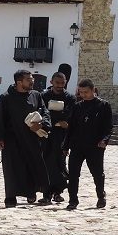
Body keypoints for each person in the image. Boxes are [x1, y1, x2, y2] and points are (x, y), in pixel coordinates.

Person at [0, 69, 50, 207]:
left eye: (32, 79)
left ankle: (31, 192)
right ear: (19, 82)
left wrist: (41, 124)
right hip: (12, 139)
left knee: (32, 165)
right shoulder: (6, 97)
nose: (32, 81)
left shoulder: (36, 95)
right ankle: (10, 196)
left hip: (31, 138)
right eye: (28, 79)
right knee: (12, 168)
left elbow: (44, 111)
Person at [63, 78, 113, 210]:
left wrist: (105, 140)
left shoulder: (103, 105)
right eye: (81, 92)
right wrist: (65, 145)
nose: (83, 95)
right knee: (73, 174)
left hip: (95, 146)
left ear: (92, 90)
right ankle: (73, 200)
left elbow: (108, 126)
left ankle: (101, 196)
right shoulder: (77, 106)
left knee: (97, 173)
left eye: (86, 92)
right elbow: (71, 127)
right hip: (77, 145)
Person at [40, 71, 74, 203]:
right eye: (57, 83)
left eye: (62, 83)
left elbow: (68, 114)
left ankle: (58, 192)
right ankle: (46, 193)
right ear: (51, 82)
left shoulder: (70, 98)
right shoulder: (44, 96)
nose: (60, 85)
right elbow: (43, 112)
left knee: (60, 162)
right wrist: (56, 121)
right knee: (46, 162)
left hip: (62, 136)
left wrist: (56, 118)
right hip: (46, 134)